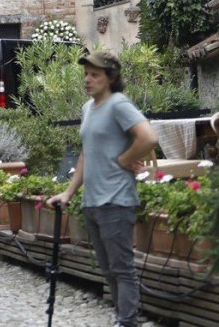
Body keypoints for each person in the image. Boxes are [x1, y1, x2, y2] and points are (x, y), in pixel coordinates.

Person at [47, 49, 158, 327]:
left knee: (122, 269)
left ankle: (127, 321)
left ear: (111, 77)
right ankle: (122, 318)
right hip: (92, 202)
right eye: (86, 74)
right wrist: (69, 192)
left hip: (117, 200)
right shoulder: (88, 108)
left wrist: (125, 159)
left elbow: (148, 137)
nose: (88, 79)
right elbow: (86, 154)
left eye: (95, 74)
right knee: (108, 270)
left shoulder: (119, 104)